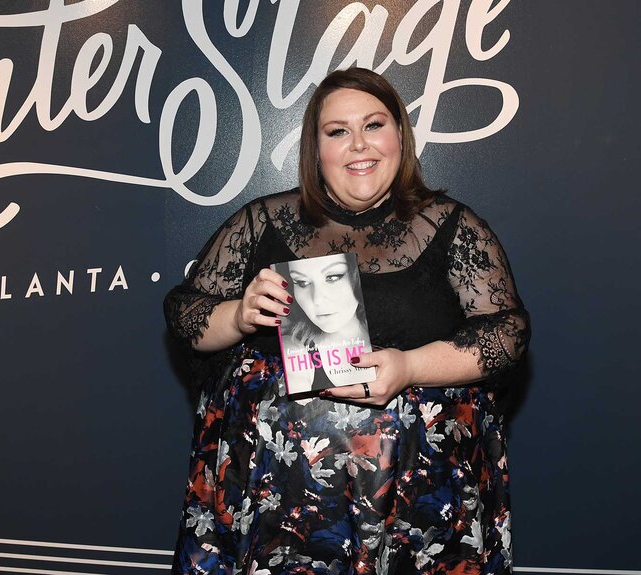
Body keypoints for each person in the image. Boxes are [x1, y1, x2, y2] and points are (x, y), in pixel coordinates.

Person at [163, 67, 530, 574]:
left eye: (374, 125)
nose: (359, 145)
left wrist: (410, 367)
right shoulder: (262, 222)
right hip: (280, 502)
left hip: (417, 500)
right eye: (338, 131)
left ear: (400, 134)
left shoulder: (453, 227)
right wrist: (241, 313)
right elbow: (186, 315)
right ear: (317, 149)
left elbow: (506, 334)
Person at [277, 254, 372, 392]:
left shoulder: (393, 338)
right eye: (302, 282)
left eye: (333, 277)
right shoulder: (294, 349)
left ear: (356, 276)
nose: (317, 299)